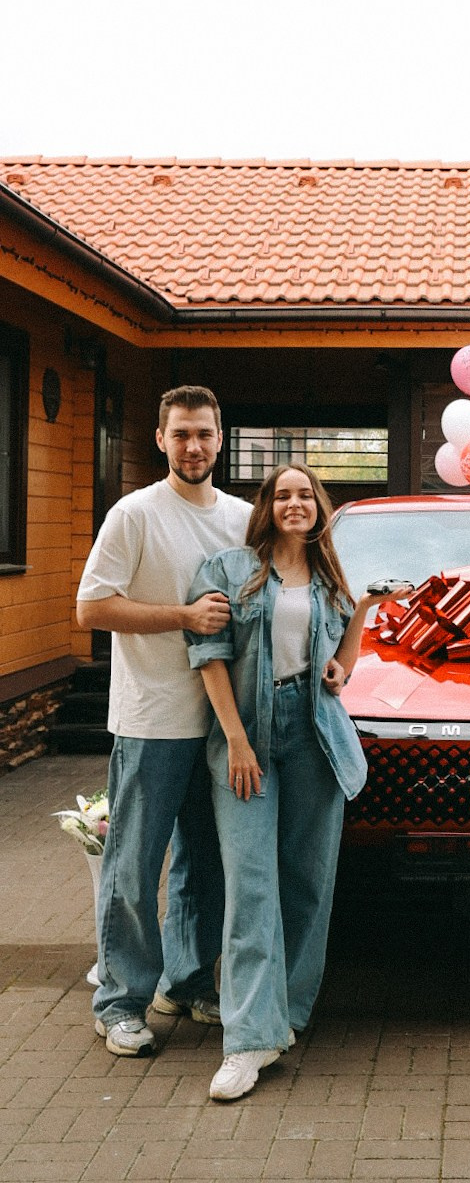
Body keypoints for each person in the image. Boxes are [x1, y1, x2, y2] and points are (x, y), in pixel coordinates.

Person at [184, 463, 408, 1102]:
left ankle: (287, 1014)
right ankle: (247, 1040)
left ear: (319, 506)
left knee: (308, 881)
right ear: (267, 505)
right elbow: (210, 657)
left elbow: (339, 664)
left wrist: (360, 617)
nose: (294, 503)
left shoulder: (333, 578)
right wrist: (236, 741)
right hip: (247, 737)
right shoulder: (229, 570)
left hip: (315, 740)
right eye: (282, 494)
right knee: (251, 882)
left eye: (304, 494)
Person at [76, 386, 252, 1057]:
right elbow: (92, 609)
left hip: (218, 724)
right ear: (161, 439)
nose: (194, 445)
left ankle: (185, 982)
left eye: (204, 433)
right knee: (135, 864)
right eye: (181, 434)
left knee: (203, 865)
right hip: (150, 719)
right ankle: (119, 1001)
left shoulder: (240, 518)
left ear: (220, 437)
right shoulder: (135, 514)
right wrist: (182, 617)